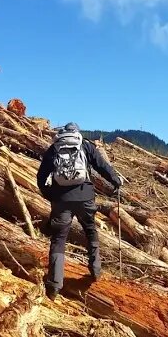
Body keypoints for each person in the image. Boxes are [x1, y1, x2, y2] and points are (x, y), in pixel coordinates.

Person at [36, 123, 123, 298]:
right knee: (90, 231)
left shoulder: (55, 147)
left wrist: (51, 194)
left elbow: (41, 177)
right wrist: (116, 181)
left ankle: (54, 286)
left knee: (59, 239)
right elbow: (102, 166)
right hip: (85, 197)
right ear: (77, 132)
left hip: (61, 200)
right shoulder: (85, 144)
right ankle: (95, 270)